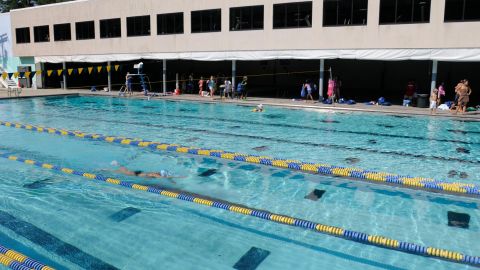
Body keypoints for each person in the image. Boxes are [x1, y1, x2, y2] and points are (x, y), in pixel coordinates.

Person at [110, 161, 182, 180]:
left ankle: (117, 164)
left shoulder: (155, 173)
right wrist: (178, 177)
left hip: (138, 173)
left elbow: (165, 177)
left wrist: (173, 179)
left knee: (125, 170)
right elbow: (164, 177)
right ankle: (115, 165)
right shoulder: (154, 175)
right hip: (135, 174)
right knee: (121, 171)